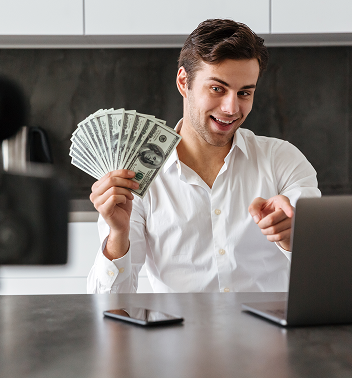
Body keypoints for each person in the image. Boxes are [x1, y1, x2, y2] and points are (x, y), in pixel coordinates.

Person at [87, 19, 320, 294]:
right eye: (217, 89)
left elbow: (327, 276)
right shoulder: (136, 175)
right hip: (178, 334)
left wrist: (295, 239)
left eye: (244, 93)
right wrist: (118, 234)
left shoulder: (284, 160)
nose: (232, 108)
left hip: (269, 336)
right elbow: (108, 304)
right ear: (184, 82)